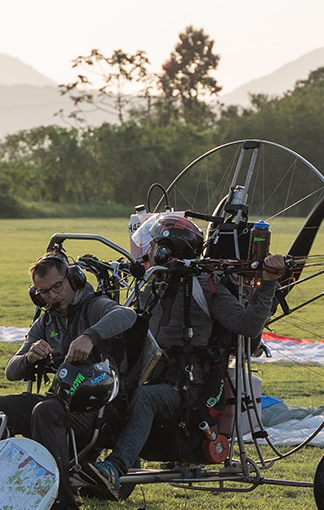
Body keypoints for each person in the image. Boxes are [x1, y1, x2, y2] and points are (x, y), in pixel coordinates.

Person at [89, 212, 285, 495]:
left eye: (154, 245)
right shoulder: (156, 281)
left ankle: (116, 467)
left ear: (168, 249)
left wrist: (268, 283)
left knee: (145, 398)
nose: (149, 251)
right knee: (107, 388)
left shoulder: (205, 284)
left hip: (190, 387)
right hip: (152, 375)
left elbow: (249, 326)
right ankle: (82, 465)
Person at [0, 254, 136, 510]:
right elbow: (12, 370)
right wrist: (29, 358)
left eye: (57, 287)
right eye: (43, 292)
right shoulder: (46, 322)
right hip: (59, 403)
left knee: (45, 410)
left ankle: (65, 507)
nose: (51, 296)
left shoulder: (93, 307)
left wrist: (90, 337)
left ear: (73, 280)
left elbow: (126, 314)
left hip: (100, 410)